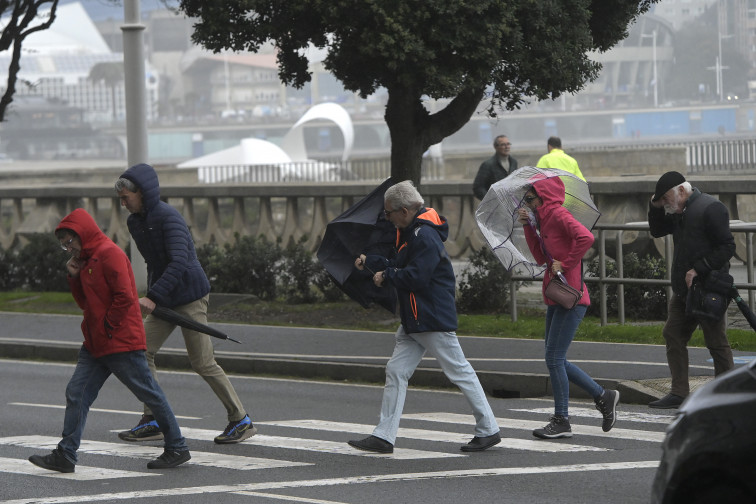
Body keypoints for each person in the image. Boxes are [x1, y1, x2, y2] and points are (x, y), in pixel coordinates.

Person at [28, 208, 191, 473]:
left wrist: (106, 326)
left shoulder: (109, 254)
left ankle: (177, 446)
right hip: (96, 343)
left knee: (148, 392)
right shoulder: (87, 260)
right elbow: (85, 303)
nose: (68, 248)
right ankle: (66, 454)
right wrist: (73, 276)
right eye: (64, 245)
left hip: (119, 341)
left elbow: (125, 298)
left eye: (70, 242)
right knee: (76, 393)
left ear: (84, 233)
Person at [347, 180, 501, 454]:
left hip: (429, 316)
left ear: (404, 211)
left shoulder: (422, 236)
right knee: (398, 370)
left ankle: (488, 428)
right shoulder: (418, 233)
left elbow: (416, 276)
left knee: (459, 371)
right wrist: (372, 263)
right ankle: (384, 435)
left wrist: (388, 275)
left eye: (389, 213)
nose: (388, 218)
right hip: (419, 317)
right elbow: (404, 266)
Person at [115, 163, 255, 444]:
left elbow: (180, 261)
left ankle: (240, 419)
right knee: (140, 350)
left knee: (202, 362)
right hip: (165, 299)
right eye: (120, 199)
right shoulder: (135, 222)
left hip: (190, 297)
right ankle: (153, 417)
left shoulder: (169, 218)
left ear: (142, 192)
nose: (122, 203)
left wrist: (152, 296)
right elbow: (154, 262)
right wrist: (154, 294)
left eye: (125, 197)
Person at [517, 178, 618, 439]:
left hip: (571, 297)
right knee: (555, 359)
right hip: (556, 295)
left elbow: (586, 237)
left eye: (530, 199)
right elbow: (541, 258)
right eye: (526, 200)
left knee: (554, 359)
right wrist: (529, 226)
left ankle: (562, 419)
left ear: (544, 197)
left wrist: (566, 263)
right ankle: (603, 396)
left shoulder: (558, 214)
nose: (527, 203)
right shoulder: (544, 220)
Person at [647, 171, 735, 409]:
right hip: (684, 290)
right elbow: (656, 230)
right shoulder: (679, 212)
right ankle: (679, 393)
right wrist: (654, 205)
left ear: (682, 191)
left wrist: (698, 268)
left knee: (716, 341)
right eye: (663, 200)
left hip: (709, 288)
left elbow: (727, 247)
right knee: (672, 334)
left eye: (666, 198)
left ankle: (726, 394)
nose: (666, 203)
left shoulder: (711, 208)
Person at [472, 135, 519, 199]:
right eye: (503, 144)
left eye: (508, 144)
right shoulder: (488, 165)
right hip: (494, 205)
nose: (506, 147)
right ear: (495, 147)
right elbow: (478, 187)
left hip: (510, 203)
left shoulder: (513, 162)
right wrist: (490, 200)